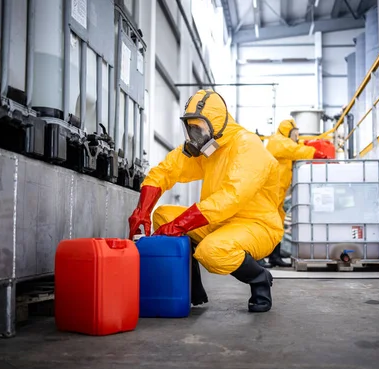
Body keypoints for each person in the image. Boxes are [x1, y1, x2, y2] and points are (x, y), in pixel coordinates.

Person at [128, 89, 283, 313]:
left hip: (256, 225)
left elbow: (231, 197)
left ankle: (260, 278)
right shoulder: (210, 146)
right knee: (163, 216)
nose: (194, 135)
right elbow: (166, 170)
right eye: (190, 128)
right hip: (219, 220)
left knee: (212, 252)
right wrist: (142, 210)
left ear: (216, 124)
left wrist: (181, 224)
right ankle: (191, 287)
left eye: (198, 128)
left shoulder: (248, 146)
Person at [261, 119, 329, 267]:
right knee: (264, 222)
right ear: (287, 131)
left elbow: (295, 148)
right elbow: (294, 150)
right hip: (269, 190)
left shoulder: (284, 142)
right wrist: (313, 152)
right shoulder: (277, 141)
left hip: (278, 191)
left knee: (277, 223)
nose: (297, 137)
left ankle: (274, 257)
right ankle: (257, 257)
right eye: (294, 133)